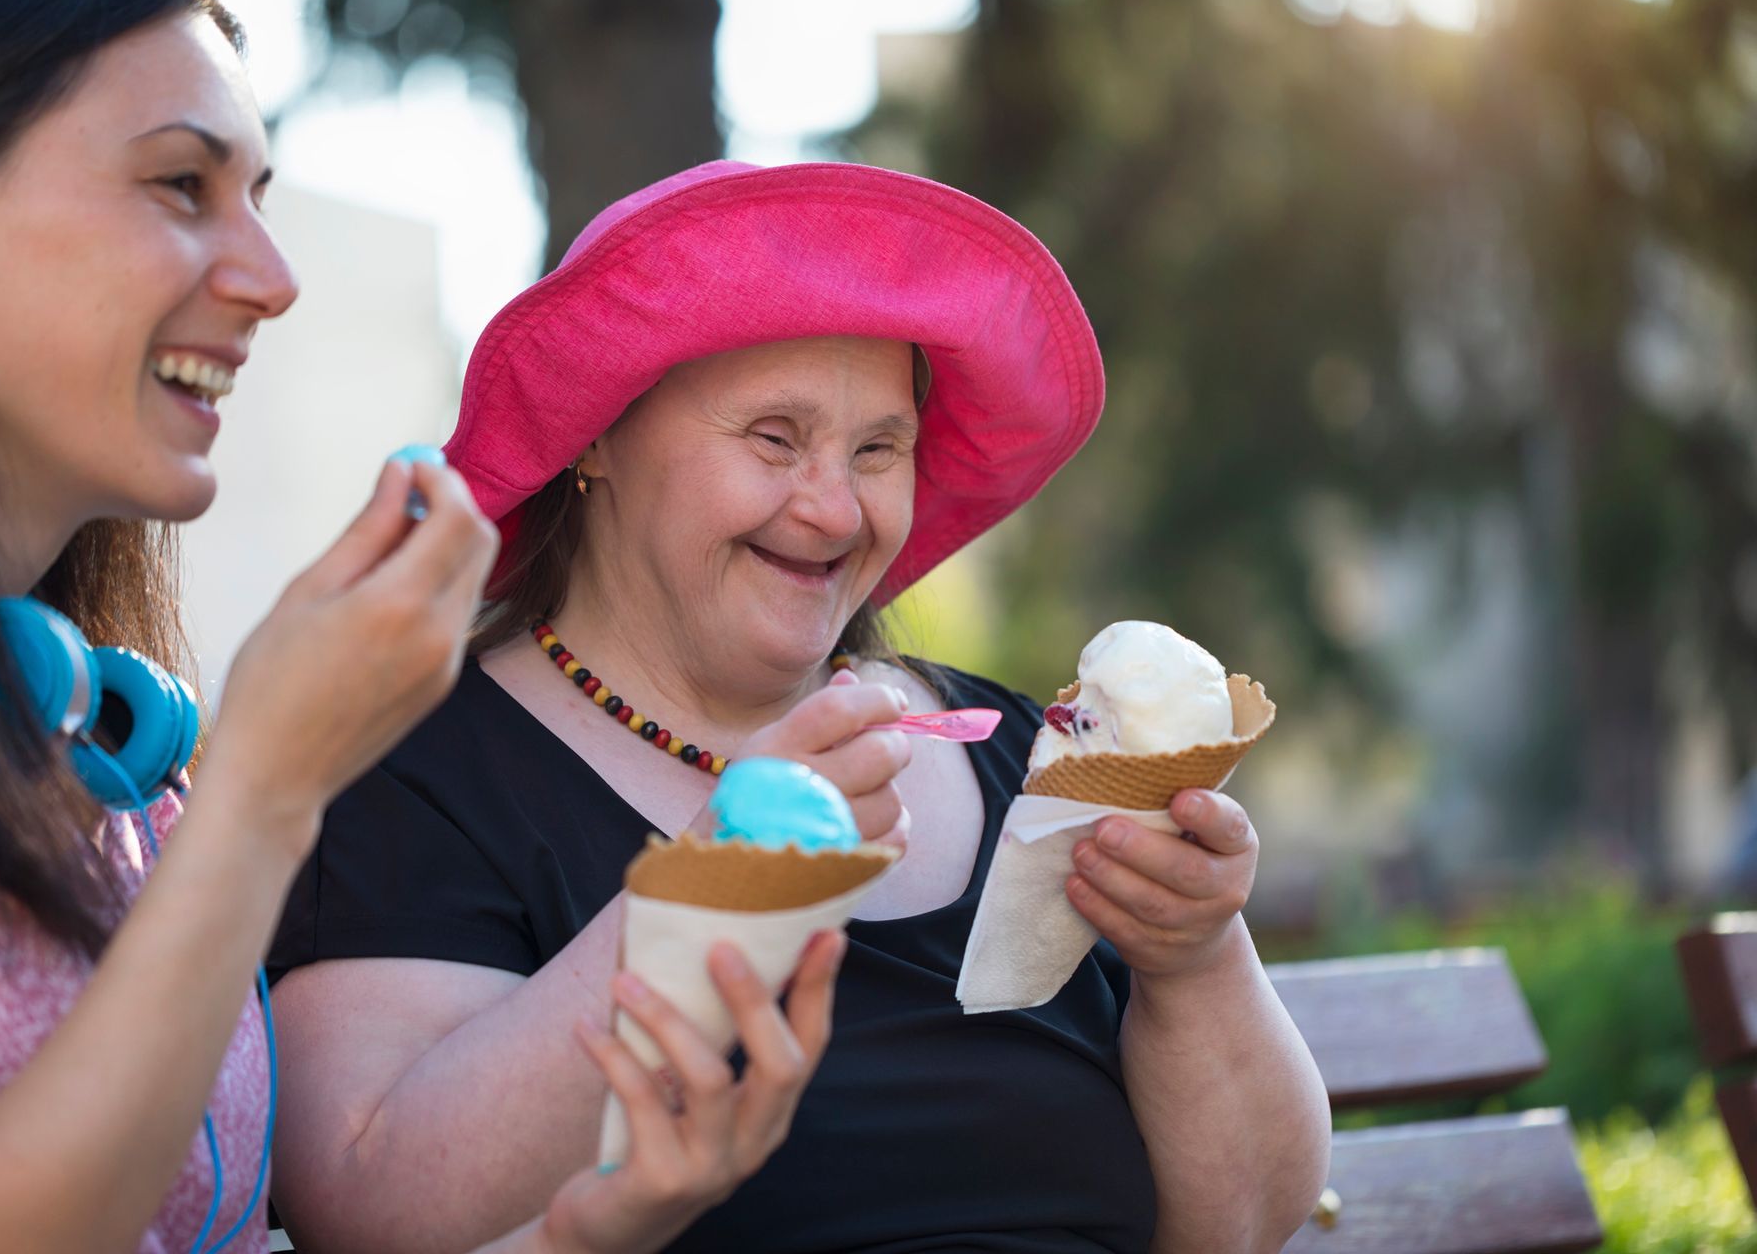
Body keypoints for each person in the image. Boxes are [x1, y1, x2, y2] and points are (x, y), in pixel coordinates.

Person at [0, 0, 835, 1253]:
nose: (272, 276)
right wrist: (267, 787)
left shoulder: (116, 763)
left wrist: (588, 1232)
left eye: (258, 195)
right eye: (180, 186)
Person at [267, 160, 1333, 1253]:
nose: (833, 507)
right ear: (595, 433)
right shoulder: (422, 777)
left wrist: (1195, 956)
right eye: (773, 438)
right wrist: (717, 886)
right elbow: (370, 1207)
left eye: (879, 449)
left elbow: (1240, 1224)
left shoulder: (1035, 760)